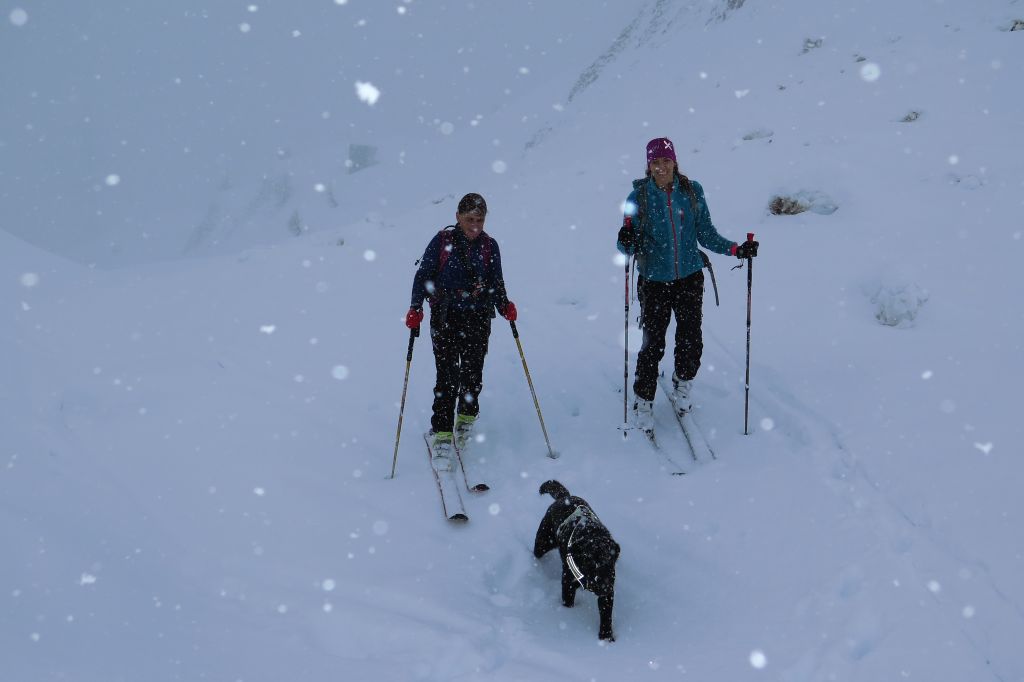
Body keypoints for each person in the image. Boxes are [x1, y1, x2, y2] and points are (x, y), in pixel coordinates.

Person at [616, 137, 758, 433]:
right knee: (652, 343)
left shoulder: (692, 192)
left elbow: (705, 233)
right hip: (654, 280)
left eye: (666, 160)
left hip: (690, 277)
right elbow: (629, 244)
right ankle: (643, 400)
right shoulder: (638, 197)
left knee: (691, 338)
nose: (661, 166)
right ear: (648, 165)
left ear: (675, 161)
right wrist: (625, 240)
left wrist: (735, 249)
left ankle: (683, 385)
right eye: (655, 162)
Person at [406, 192, 517, 469]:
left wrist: (504, 305)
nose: (475, 225)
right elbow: (423, 276)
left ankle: (466, 420)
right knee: (446, 376)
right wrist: (415, 307)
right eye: (469, 219)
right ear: (457, 216)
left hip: (478, 317)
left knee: (472, 373)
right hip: (445, 317)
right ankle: (443, 434)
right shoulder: (442, 241)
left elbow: (496, 281)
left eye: (479, 220)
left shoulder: (489, 246)